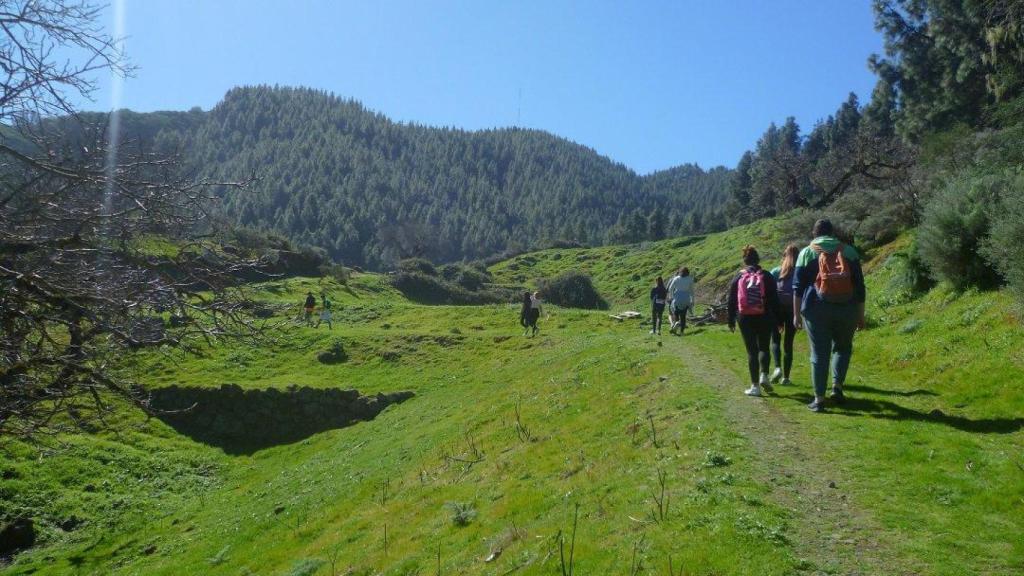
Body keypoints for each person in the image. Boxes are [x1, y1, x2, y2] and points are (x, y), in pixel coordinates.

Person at [793, 219, 867, 413]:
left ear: (814, 234)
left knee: (819, 353)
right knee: (843, 348)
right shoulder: (849, 251)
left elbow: (797, 288)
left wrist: (796, 315)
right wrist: (860, 315)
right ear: (833, 233)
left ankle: (819, 399)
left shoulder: (807, 252)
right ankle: (837, 387)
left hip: (816, 310)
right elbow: (860, 287)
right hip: (848, 308)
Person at [727, 245, 782, 397]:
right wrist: (778, 320)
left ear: (745, 260)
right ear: (758, 259)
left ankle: (755, 386)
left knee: (752, 351)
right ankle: (764, 375)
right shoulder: (767, 275)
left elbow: (731, 299)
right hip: (764, 315)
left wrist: (731, 319)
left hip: (744, 317)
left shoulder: (739, 276)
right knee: (764, 347)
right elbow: (775, 300)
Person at [769, 245, 799, 385]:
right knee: (788, 343)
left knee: (775, 340)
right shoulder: (799, 272)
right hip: (793, 309)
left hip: (777, 310)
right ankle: (786, 378)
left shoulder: (776, 271)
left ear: (784, 256)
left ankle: (777, 368)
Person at [667, 267, 694, 335]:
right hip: (686, 299)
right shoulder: (690, 279)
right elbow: (692, 291)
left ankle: (676, 323)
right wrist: (692, 300)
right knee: (683, 316)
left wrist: (671, 297)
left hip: (677, 299)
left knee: (676, 314)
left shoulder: (676, 278)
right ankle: (682, 332)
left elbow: (670, 288)